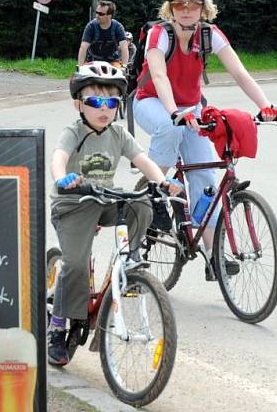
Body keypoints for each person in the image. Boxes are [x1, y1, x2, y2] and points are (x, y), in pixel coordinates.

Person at [131, 0, 277, 274]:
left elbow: (239, 72)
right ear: (170, 8)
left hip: (191, 108)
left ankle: (214, 256)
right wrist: (174, 112)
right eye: (180, 4)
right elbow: (158, 76)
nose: (186, 10)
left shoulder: (210, 35)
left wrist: (264, 105)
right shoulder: (160, 34)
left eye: (193, 4)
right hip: (152, 102)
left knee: (207, 182)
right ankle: (156, 194)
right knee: (170, 128)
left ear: (203, 7)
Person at [48, 61, 182, 365]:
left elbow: (143, 159)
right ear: (79, 103)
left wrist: (162, 182)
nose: (103, 108)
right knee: (76, 265)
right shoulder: (74, 131)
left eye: (111, 102)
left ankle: (129, 259)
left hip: (103, 199)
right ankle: (57, 328)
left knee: (140, 203)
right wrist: (61, 178)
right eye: (95, 101)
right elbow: (59, 158)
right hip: (73, 205)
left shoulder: (119, 134)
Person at [77, 1, 130, 67]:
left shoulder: (118, 27)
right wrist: (80, 67)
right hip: (93, 61)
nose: (97, 16)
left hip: (113, 62)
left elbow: (124, 47)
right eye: (96, 12)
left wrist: (124, 67)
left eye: (101, 14)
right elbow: (83, 47)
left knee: (119, 74)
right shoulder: (91, 26)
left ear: (109, 16)